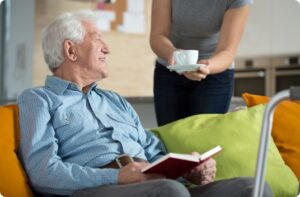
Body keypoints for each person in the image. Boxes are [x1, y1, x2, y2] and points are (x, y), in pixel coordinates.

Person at [17, 10, 272, 197]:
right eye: (97, 39)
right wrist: (117, 176)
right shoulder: (38, 100)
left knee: (253, 187)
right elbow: (44, 173)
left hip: (155, 184)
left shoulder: (114, 100)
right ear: (71, 51)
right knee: (170, 192)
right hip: (98, 188)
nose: (107, 49)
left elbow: (153, 151)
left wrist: (188, 169)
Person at [150, 0, 252, 126]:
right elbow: (157, 35)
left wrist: (206, 67)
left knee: (205, 140)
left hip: (214, 72)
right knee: (169, 138)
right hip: (170, 68)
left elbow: (227, 51)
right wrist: (173, 54)